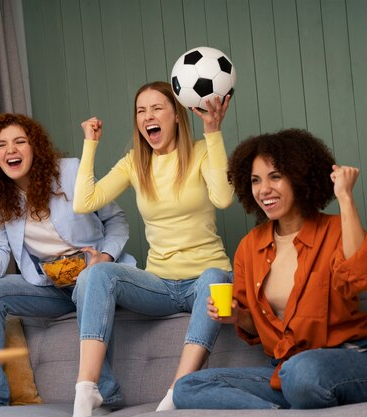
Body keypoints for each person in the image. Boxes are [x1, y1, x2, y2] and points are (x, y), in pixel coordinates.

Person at [173, 129, 367, 410]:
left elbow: (360, 276)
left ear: (299, 178)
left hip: (353, 362)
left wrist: (345, 197)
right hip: (286, 370)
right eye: (255, 180)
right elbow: (255, 323)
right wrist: (237, 316)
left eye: (275, 176)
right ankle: (273, 412)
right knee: (187, 387)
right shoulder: (250, 247)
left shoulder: (336, 229)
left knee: (302, 374)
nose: (264, 189)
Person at [0, 113, 134, 410]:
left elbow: (117, 221)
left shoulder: (70, 171)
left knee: (89, 281)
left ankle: (102, 394)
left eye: (20, 141)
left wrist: (104, 258)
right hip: (50, 286)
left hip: (96, 277)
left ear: (35, 147)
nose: (11, 150)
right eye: (2, 145)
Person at [71, 81, 234, 416]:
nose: (148, 116)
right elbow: (83, 202)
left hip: (204, 279)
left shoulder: (203, 151)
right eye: (141, 111)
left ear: (176, 115)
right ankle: (87, 389)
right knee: (95, 276)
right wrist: (91, 144)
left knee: (218, 279)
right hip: (158, 284)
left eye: (157, 108)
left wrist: (213, 132)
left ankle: (178, 392)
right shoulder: (135, 163)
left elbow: (224, 197)